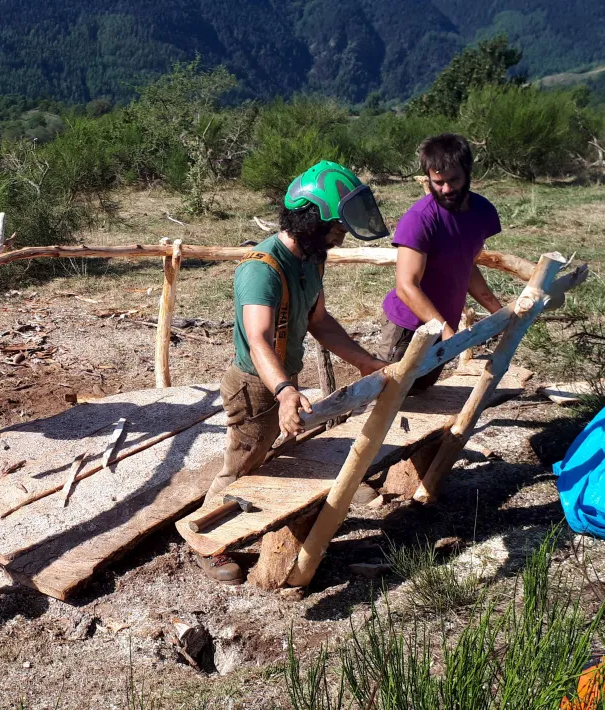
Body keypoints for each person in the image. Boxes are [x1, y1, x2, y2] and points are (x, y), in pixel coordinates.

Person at [194, 161, 391, 584]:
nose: (341, 235)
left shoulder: (312, 258)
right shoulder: (262, 268)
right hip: (254, 386)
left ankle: (286, 512)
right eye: (337, 225)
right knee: (241, 465)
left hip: (281, 380)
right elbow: (260, 338)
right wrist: (284, 390)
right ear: (310, 219)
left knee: (282, 451)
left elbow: (319, 321)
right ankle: (207, 542)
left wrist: (365, 362)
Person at [378, 134, 503, 388]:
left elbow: (465, 265)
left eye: (453, 180)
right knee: (387, 393)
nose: (446, 189)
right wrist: (446, 330)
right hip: (409, 327)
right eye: (438, 182)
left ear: (468, 172)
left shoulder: (482, 212)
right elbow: (406, 286)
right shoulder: (419, 219)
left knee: (420, 391)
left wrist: (497, 310)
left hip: (444, 325)